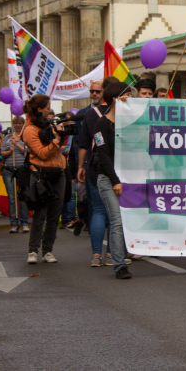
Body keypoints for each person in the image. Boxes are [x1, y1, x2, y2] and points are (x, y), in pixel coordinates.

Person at [92, 82, 135, 279]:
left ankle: (122, 255)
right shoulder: (101, 124)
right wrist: (115, 180)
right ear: (117, 98)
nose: (131, 99)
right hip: (108, 179)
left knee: (126, 220)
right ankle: (119, 265)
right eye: (128, 95)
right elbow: (103, 155)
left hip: (128, 178)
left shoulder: (130, 121)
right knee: (116, 220)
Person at [22, 94, 67, 264]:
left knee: (54, 215)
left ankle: (48, 250)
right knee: (40, 215)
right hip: (40, 174)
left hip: (58, 172)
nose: (50, 110)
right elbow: (41, 153)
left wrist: (61, 136)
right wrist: (55, 140)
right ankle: (33, 250)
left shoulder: (48, 125)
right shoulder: (29, 130)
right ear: (40, 109)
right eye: (48, 107)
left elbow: (57, 148)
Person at [78, 77, 118, 267]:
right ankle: (111, 253)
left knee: (99, 211)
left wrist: (80, 167)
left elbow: (84, 144)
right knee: (114, 214)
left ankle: (95, 255)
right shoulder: (123, 113)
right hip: (116, 168)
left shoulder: (90, 114)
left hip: (95, 167)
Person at [0, 116, 30, 233]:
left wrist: (17, 145)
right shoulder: (7, 138)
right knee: (12, 198)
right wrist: (10, 150)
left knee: (23, 197)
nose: (17, 125)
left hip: (22, 170)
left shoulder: (25, 137)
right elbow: (2, 153)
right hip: (9, 171)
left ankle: (24, 222)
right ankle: (13, 223)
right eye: (15, 123)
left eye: (19, 123)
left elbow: (27, 152)